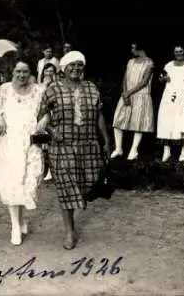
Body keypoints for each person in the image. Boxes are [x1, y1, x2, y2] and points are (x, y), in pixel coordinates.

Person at [37, 51, 110, 250]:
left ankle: (78, 202)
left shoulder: (91, 88)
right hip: (62, 146)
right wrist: (52, 130)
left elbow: (99, 116)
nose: (76, 69)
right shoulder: (53, 89)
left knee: (87, 184)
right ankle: (69, 231)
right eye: (72, 65)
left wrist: (106, 140)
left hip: (88, 145)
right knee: (67, 188)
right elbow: (41, 115)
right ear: (64, 68)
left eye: (79, 65)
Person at [0, 57, 44, 246]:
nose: (21, 75)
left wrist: (44, 119)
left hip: (31, 142)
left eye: (25, 71)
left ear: (30, 73)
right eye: (18, 71)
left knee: (29, 181)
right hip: (9, 142)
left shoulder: (39, 91)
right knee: (12, 183)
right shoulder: (4, 89)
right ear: (12, 73)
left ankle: (21, 220)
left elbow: (48, 109)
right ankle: (15, 225)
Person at [112, 41, 155, 160]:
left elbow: (144, 82)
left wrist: (129, 93)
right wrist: (125, 93)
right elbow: (125, 78)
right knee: (118, 120)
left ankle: (133, 150)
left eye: (133, 48)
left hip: (141, 95)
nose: (132, 51)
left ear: (140, 49)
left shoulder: (149, 63)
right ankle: (118, 148)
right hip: (127, 95)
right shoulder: (130, 62)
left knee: (138, 123)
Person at [157, 45, 184, 162]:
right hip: (169, 96)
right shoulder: (168, 65)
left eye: (181, 51)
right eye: (176, 51)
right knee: (166, 122)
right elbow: (161, 79)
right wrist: (163, 79)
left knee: (183, 122)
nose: (178, 53)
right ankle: (166, 152)